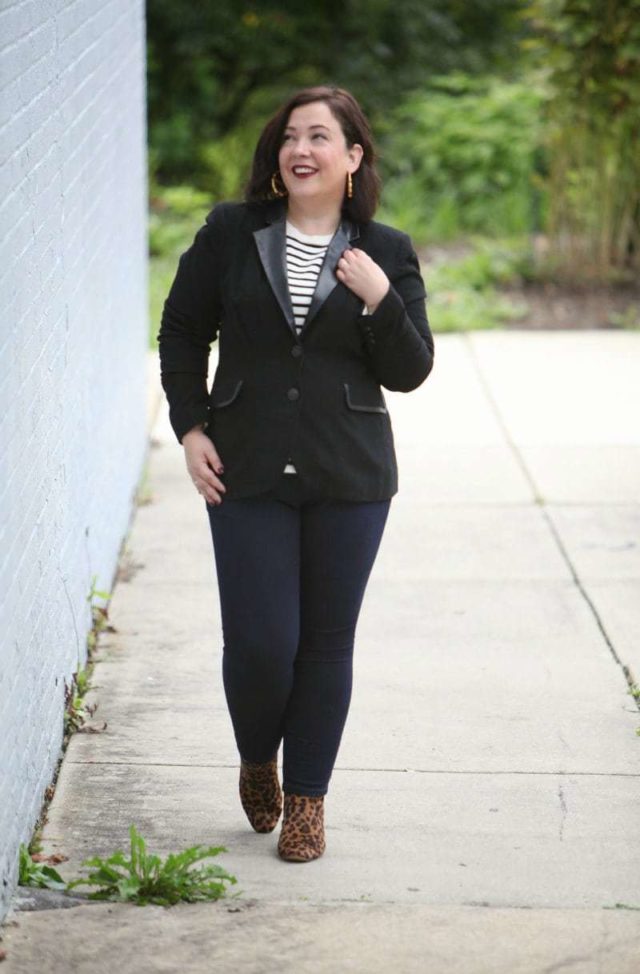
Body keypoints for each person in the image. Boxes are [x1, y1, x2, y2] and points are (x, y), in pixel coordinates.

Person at [158, 85, 434, 863]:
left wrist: (381, 300)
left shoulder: (387, 249)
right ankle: (257, 756)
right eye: (289, 136)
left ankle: (308, 803)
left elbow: (411, 371)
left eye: (320, 136)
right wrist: (189, 427)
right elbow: (182, 330)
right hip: (242, 466)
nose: (300, 149)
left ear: (353, 157)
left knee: (323, 645)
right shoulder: (229, 233)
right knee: (259, 642)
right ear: (277, 157)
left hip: (350, 475)